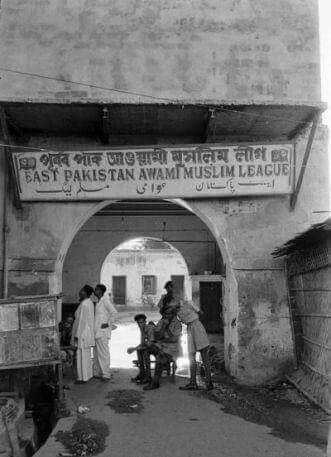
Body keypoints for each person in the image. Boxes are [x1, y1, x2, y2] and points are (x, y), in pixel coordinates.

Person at [143, 305, 182, 391]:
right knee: (146, 351)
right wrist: (164, 326)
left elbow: (174, 339)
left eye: (169, 314)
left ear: (173, 314)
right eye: (165, 314)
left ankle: (155, 383)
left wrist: (166, 330)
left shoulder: (177, 324)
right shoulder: (162, 321)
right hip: (161, 346)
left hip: (173, 349)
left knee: (160, 357)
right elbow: (157, 336)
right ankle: (147, 377)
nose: (166, 316)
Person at [177, 299, 213, 391]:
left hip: (197, 326)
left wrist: (192, 317)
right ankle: (194, 383)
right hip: (191, 329)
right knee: (191, 355)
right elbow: (200, 313)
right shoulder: (177, 310)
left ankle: (208, 382)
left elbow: (201, 312)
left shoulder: (189, 303)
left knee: (204, 355)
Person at [71, 285, 95, 384]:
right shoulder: (88, 303)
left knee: (81, 355)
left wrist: (77, 335)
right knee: (86, 354)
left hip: (82, 333)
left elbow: (81, 322)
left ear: (85, 293)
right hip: (86, 332)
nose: (79, 292)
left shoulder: (85, 304)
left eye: (81, 291)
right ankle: (87, 376)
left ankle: (83, 378)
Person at [93, 284, 118, 381]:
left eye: (96, 289)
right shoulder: (98, 302)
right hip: (97, 332)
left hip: (103, 332)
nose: (94, 291)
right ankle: (99, 372)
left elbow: (114, 313)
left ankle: (106, 374)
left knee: (103, 353)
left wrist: (108, 324)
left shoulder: (105, 300)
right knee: (96, 353)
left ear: (100, 291)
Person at [127, 314, 155, 384]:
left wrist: (134, 348)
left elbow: (149, 343)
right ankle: (142, 373)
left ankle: (148, 376)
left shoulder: (150, 327)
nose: (140, 325)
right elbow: (142, 343)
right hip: (150, 346)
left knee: (145, 351)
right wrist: (135, 349)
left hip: (157, 347)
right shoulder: (142, 329)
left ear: (145, 322)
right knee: (139, 350)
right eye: (138, 323)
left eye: (141, 322)